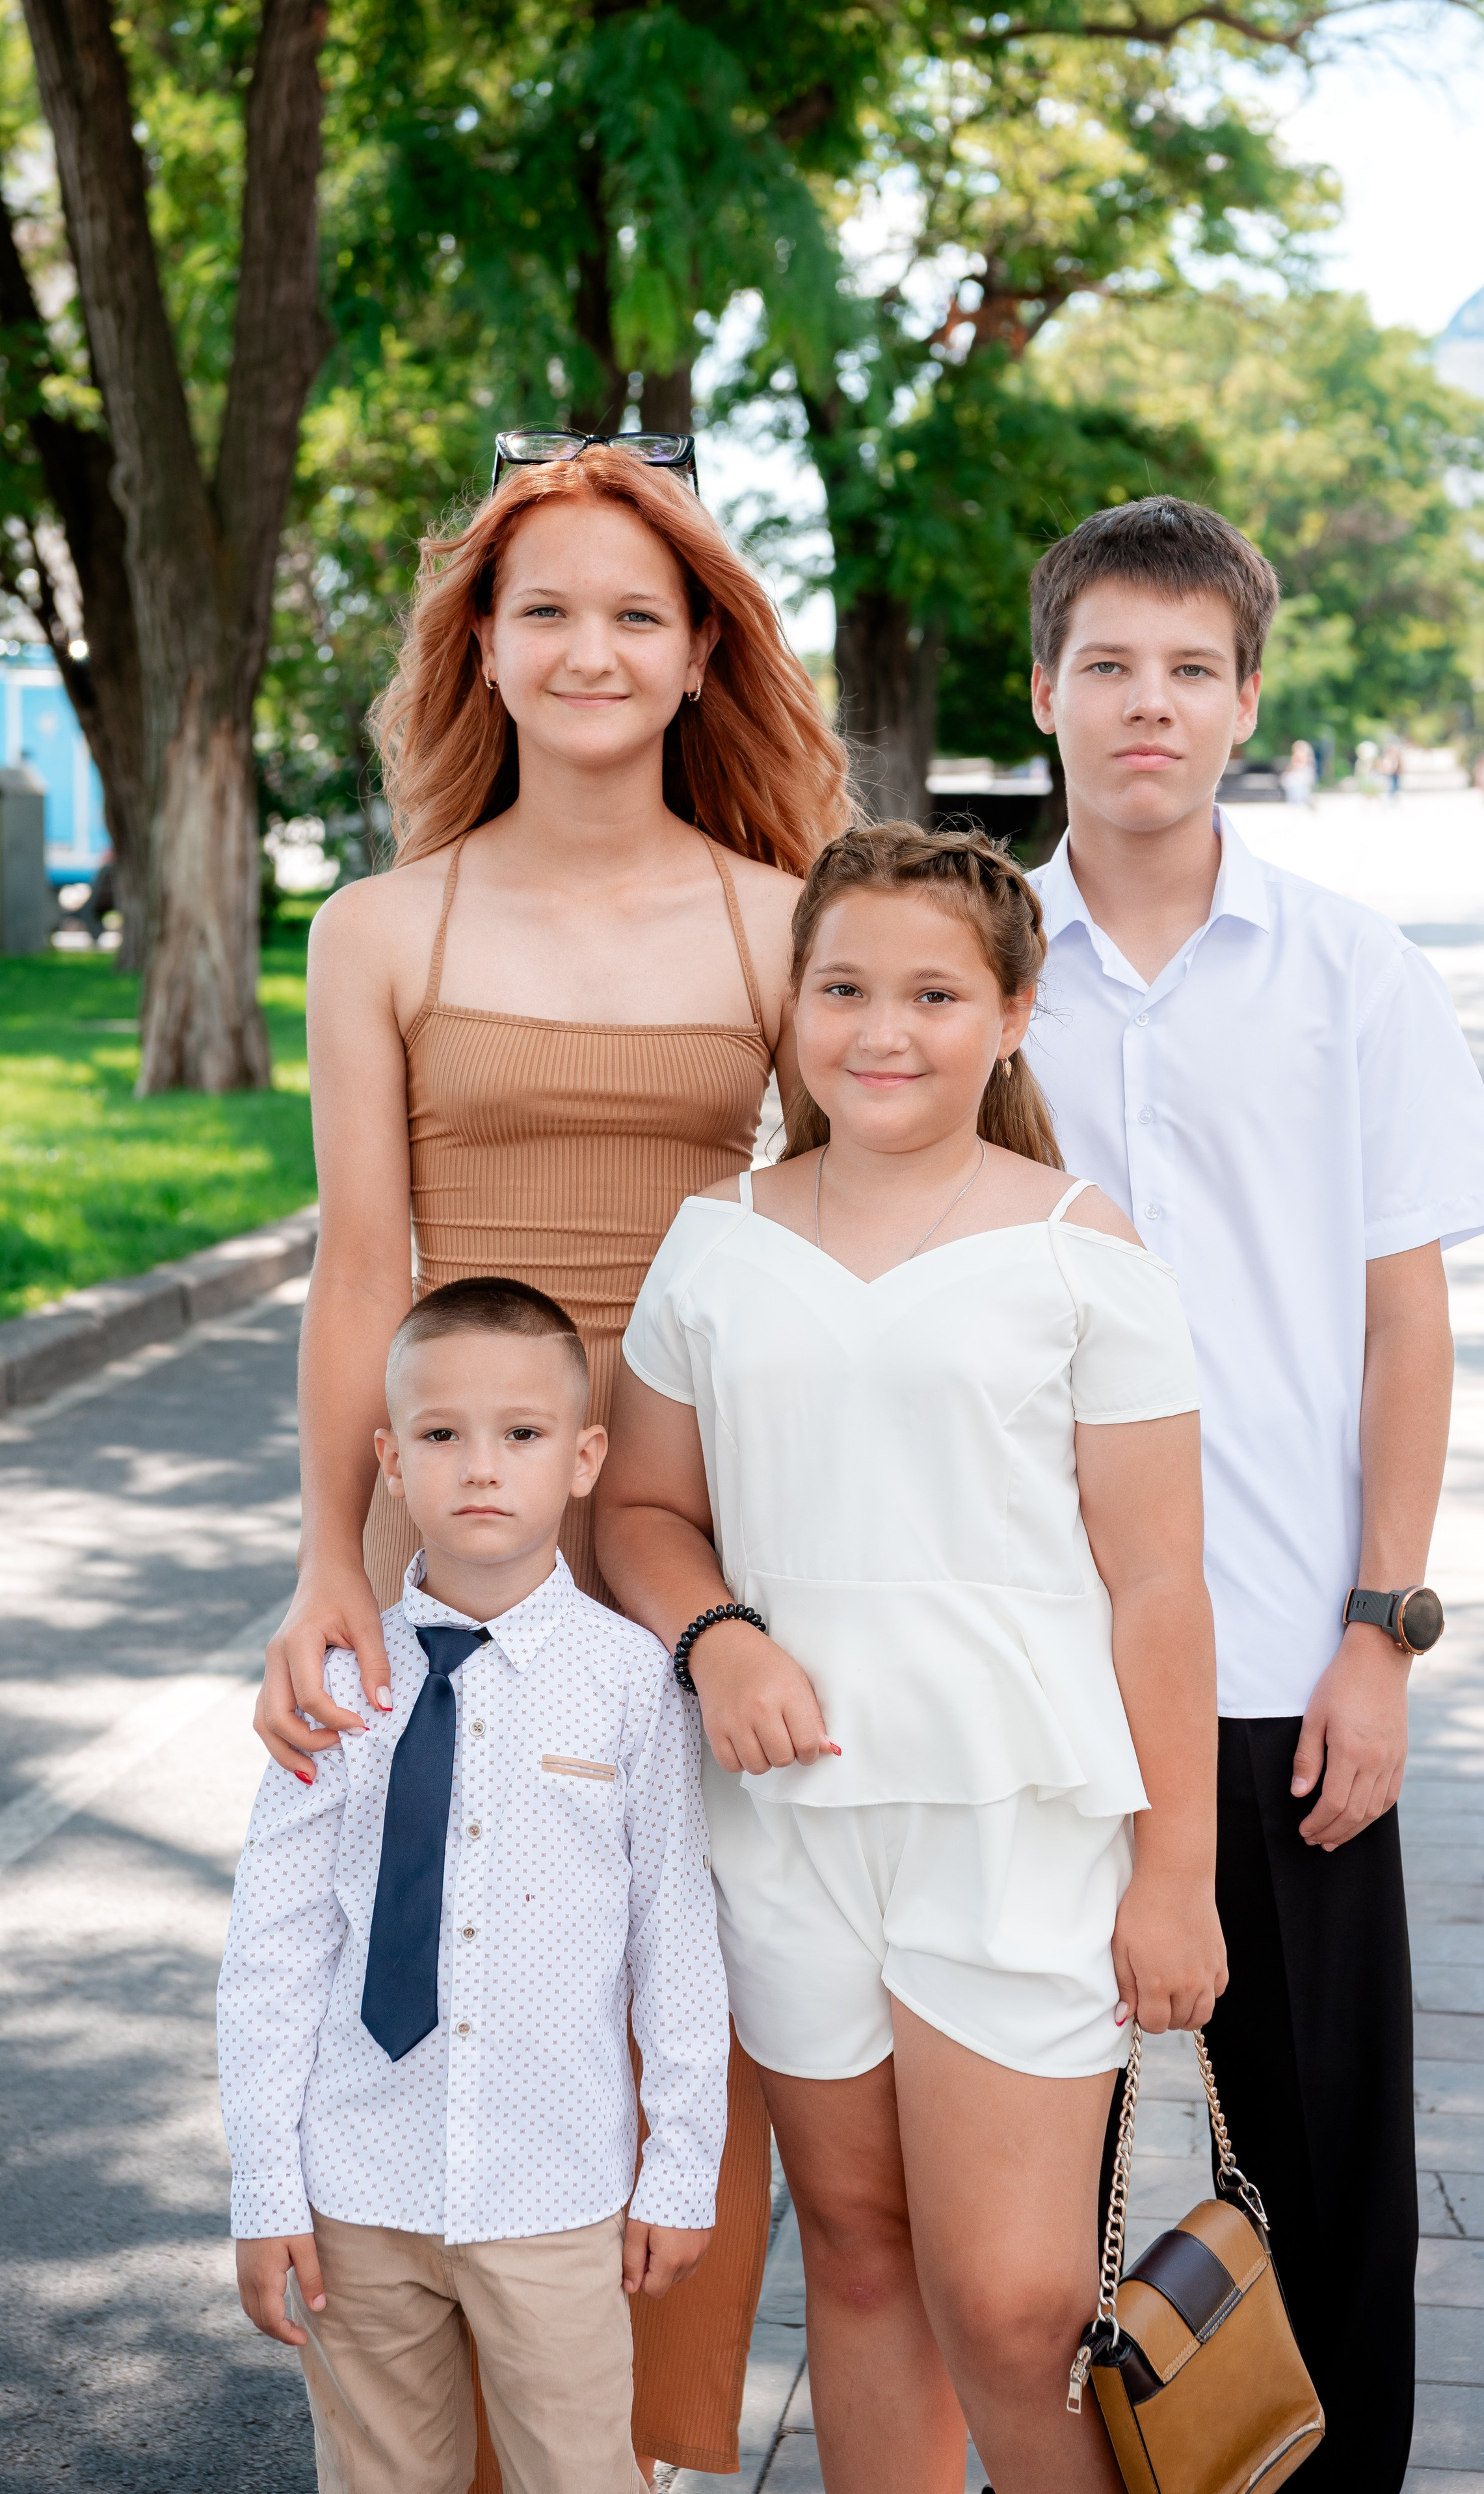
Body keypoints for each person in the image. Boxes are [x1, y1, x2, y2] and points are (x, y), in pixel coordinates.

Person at [249, 443, 849, 2479]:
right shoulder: (378, 931)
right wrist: (332, 1555)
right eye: (545, 612)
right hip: (467, 1516)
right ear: (484, 654)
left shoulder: (784, 924)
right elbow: (355, 1275)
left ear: (701, 657)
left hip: (697, 1523)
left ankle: (641, 2442)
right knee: (428, 1965)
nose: (589, 649)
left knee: (675, 1984)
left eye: (636, 614)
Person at [594, 822, 1227, 2494]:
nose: (884, 1027)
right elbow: (644, 1506)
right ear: (792, 1007)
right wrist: (716, 1633)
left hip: (1012, 1820)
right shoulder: (714, 1239)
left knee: (1014, 2303)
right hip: (787, 1821)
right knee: (860, 2259)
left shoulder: (1078, 1248)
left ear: (1013, 1014)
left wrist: (1178, 1871)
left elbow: (1160, 1580)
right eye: (844, 987)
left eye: (934, 992)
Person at [1022, 496, 1484, 2491]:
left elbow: (1407, 1327)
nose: (1151, 703)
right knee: (1035, 2211)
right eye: (1111, 665)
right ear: (1044, 688)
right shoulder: (962, 970)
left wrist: (1379, 1631)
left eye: (1191, 670)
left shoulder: (1351, 970)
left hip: (1280, 1673)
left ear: (1244, 700)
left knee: (1315, 2181)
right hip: (1026, 1680)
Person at [220, 1278, 729, 2494]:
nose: (482, 1468)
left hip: (552, 2191)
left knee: (581, 2474)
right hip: (356, 2189)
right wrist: (263, 2183)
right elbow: (275, 1945)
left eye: (523, 1434)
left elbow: (676, 1933)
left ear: (586, 1456)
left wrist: (683, 2163)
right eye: (443, 1436)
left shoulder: (630, 1684)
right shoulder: (342, 1683)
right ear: (391, 1462)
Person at [1280, 737, 1317, 810]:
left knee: (1299, 793)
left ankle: (1302, 804)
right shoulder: (1302, 755)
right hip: (1299, 776)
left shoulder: (1301, 755)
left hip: (1299, 776)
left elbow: (1299, 766)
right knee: (1300, 793)